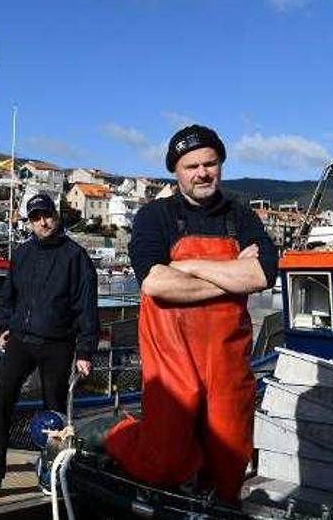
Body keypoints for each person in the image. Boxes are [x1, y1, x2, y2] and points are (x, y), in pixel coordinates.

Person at [104, 124, 278, 504]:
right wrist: (232, 276)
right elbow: (155, 283)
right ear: (176, 172)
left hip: (226, 353)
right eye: (191, 166)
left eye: (210, 163)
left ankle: (219, 504)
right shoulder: (155, 216)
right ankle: (117, 435)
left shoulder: (241, 216)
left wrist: (186, 267)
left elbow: (263, 273)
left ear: (221, 164)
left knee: (231, 451)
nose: (202, 172)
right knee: (165, 452)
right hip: (171, 349)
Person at [0, 193, 98, 498]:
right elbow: (7, 299)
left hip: (57, 344)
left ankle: (51, 475)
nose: (43, 221)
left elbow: (86, 308)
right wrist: (3, 328)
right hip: (21, 340)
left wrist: (85, 351)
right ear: (29, 222)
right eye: (36, 217)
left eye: (47, 215)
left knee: (54, 415)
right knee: (0, 405)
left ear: (57, 215)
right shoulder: (23, 254)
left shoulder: (75, 256)